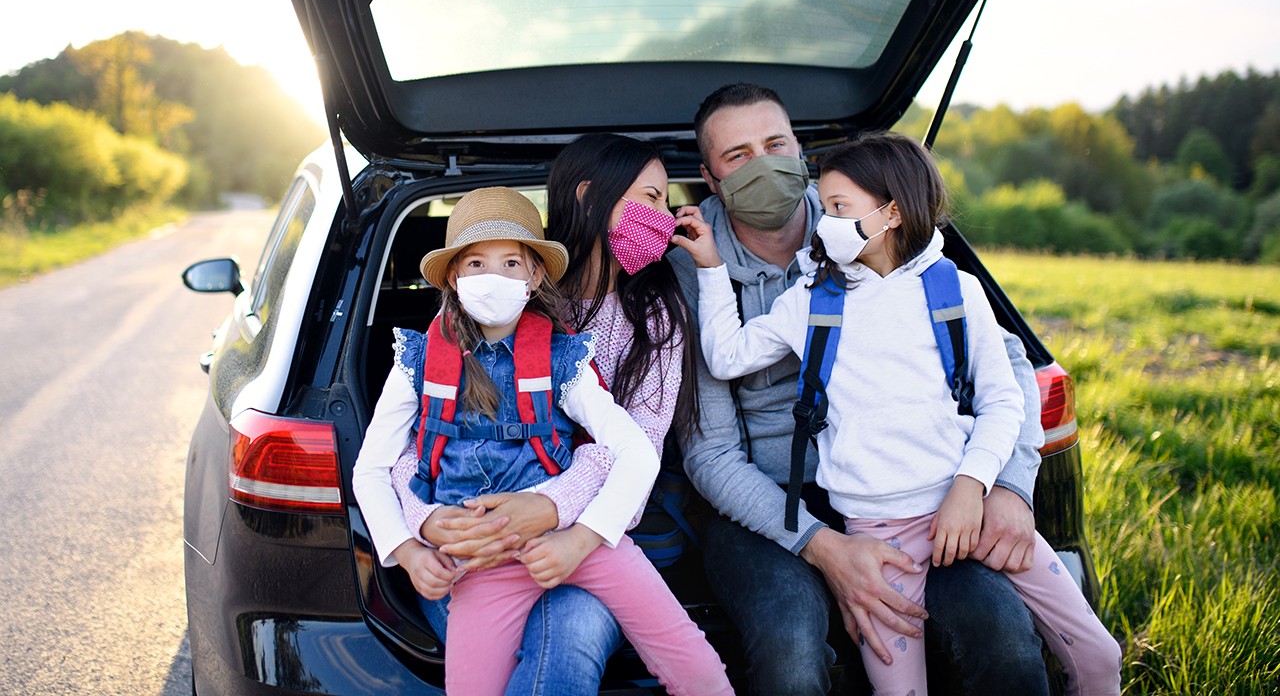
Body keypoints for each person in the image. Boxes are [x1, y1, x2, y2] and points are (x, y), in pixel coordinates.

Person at [677, 131, 1122, 695]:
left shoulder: (957, 291)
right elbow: (726, 356)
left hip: (968, 510)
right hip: (880, 538)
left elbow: (1003, 398)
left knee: (1100, 655)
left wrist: (974, 485)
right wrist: (711, 268)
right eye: (825, 207)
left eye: (839, 208)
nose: (824, 224)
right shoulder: (811, 298)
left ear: (890, 214)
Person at [352, 185, 731, 696]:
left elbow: (636, 452)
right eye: (476, 264)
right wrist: (407, 550)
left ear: (534, 277)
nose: (494, 277)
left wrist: (583, 537)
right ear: (454, 278)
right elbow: (371, 470)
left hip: (579, 541)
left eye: (511, 263)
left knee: (697, 670)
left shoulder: (562, 357)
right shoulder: (416, 362)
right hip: (483, 564)